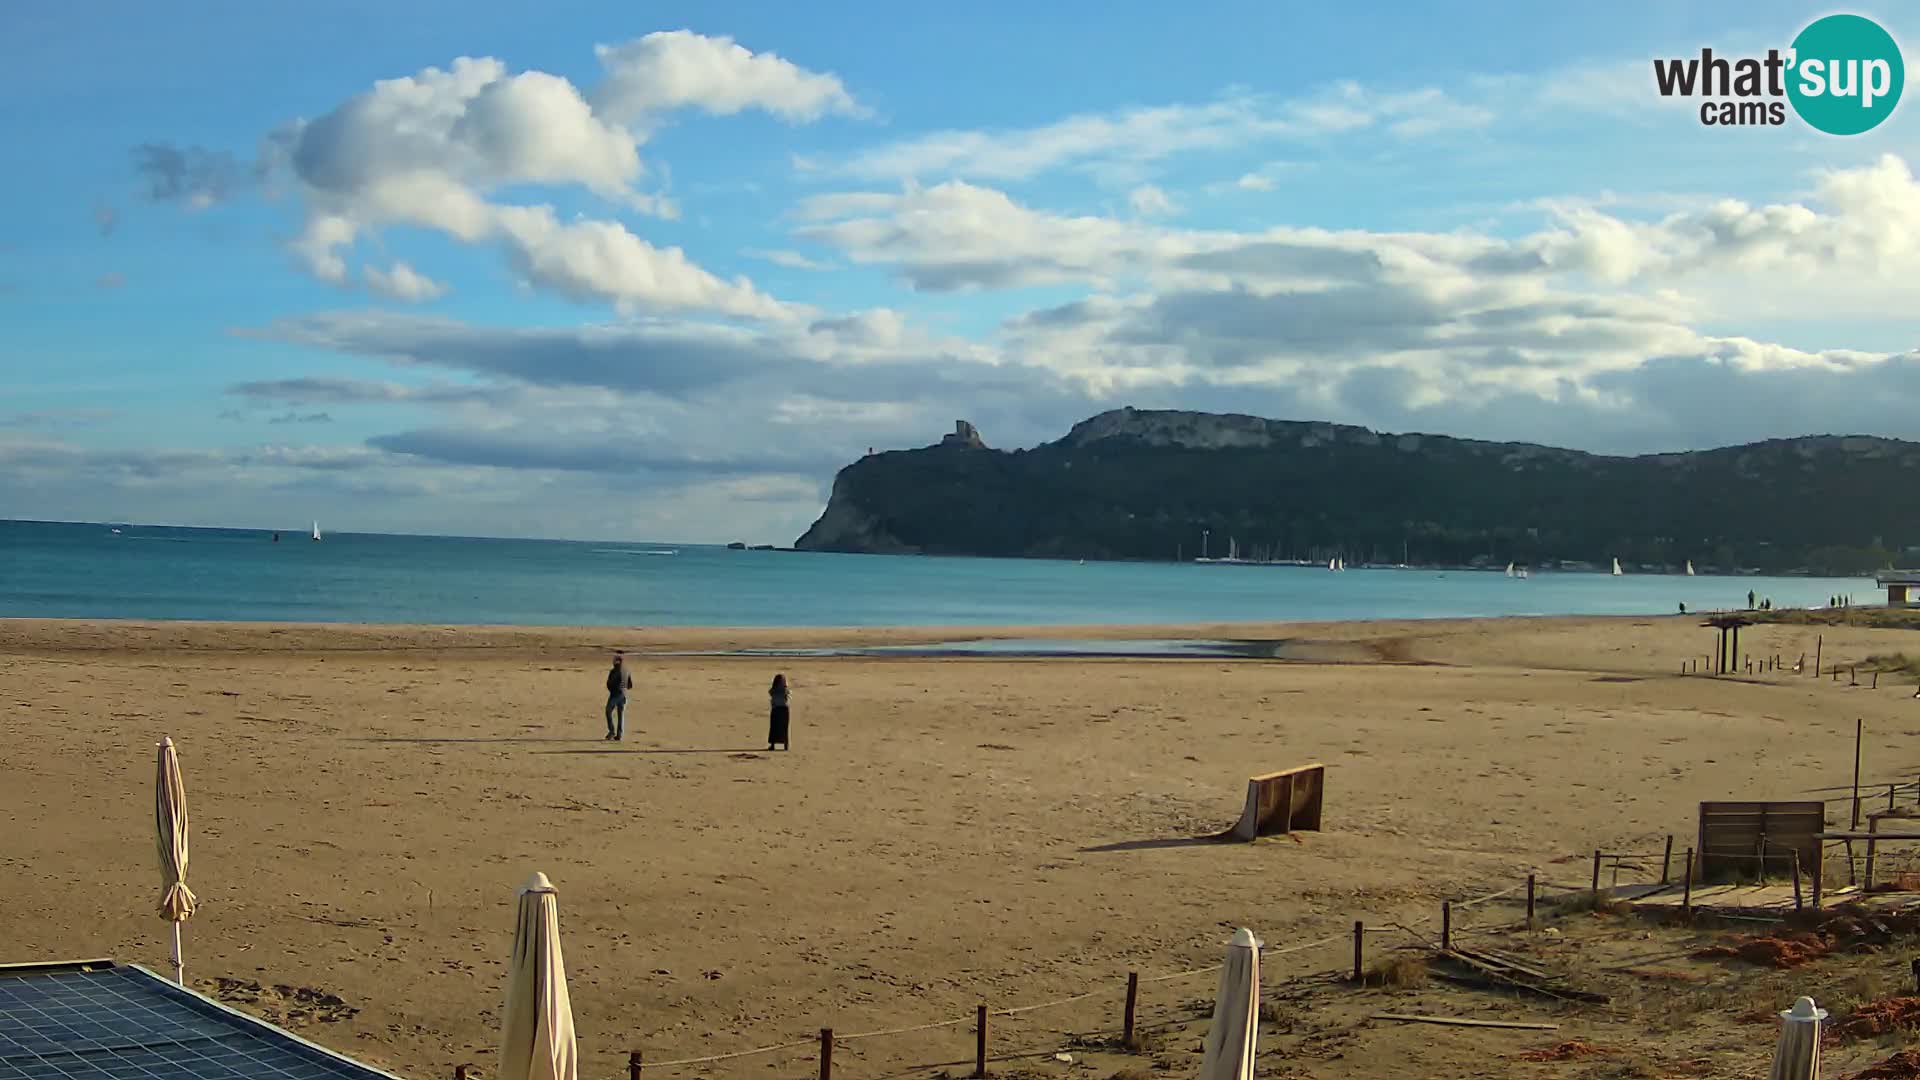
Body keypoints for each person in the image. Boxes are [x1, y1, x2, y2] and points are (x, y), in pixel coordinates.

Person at [605, 653, 632, 741]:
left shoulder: (614, 671)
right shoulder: (626, 671)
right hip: (623, 695)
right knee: (620, 715)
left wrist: (614, 689)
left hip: (615, 694)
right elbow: (630, 685)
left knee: (608, 711)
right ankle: (619, 734)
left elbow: (609, 684)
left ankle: (612, 731)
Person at [767, 673, 791, 751]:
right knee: (775, 728)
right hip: (779, 709)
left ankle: (783, 745)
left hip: (781, 709)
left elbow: (787, 696)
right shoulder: (781, 690)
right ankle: (776, 745)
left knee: (782, 728)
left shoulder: (781, 690)